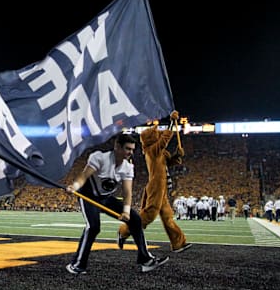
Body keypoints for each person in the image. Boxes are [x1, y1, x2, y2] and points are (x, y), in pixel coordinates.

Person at [65, 133, 169, 274]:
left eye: (132, 150)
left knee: (135, 219)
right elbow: (84, 176)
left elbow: (127, 192)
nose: (130, 153)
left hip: (105, 198)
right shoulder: (99, 157)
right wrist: (74, 187)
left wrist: (126, 211)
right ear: (117, 147)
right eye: (127, 149)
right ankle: (77, 265)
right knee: (93, 227)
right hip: (87, 196)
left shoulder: (128, 167)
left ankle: (146, 260)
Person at [117, 111, 191, 253]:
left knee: (168, 217)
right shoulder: (151, 151)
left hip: (161, 187)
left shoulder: (160, 153)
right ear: (151, 139)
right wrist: (171, 123)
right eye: (156, 133)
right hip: (156, 186)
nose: (158, 134)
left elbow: (168, 163)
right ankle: (124, 231)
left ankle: (178, 243)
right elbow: (164, 141)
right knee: (148, 216)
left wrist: (177, 155)